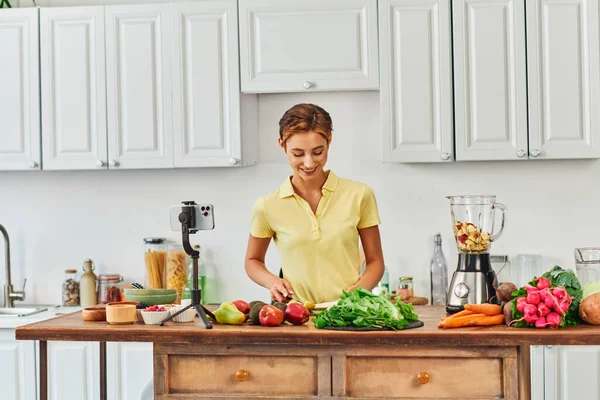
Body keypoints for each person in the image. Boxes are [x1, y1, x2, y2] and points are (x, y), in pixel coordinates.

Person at [244, 103, 384, 304]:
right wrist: (271, 281)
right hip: (295, 317)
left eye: (318, 152)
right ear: (282, 145)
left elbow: (376, 262)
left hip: (348, 314)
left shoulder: (359, 195)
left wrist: (358, 292)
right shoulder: (267, 205)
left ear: (329, 141)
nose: (309, 163)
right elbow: (252, 261)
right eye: (298, 154)